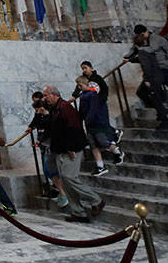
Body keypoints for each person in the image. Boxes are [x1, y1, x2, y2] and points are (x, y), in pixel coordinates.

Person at [41, 85, 105, 222]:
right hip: (60, 149)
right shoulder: (54, 109)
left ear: (53, 94)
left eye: (46, 95)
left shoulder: (65, 108)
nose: (44, 98)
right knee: (65, 181)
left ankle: (96, 200)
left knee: (69, 177)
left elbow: (74, 128)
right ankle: (78, 212)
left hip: (72, 149)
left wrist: (71, 147)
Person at [125, 24, 168, 128]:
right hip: (155, 75)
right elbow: (143, 61)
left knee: (154, 96)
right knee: (142, 92)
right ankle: (162, 111)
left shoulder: (143, 51)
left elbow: (146, 66)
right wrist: (131, 60)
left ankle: (164, 118)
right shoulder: (145, 51)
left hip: (153, 76)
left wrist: (147, 79)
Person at [75, 77, 123, 176]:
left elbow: (93, 109)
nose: (79, 88)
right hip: (89, 125)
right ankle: (100, 166)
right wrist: (80, 120)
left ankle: (117, 152)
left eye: (81, 85)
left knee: (103, 142)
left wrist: (88, 119)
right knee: (93, 145)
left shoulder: (93, 95)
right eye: (78, 86)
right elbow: (81, 109)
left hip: (96, 123)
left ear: (87, 84)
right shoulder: (82, 95)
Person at [30, 92, 68, 208]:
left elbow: (48, 132)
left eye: (37, 110)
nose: (36, 113)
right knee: (49, 171)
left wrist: (39, 142)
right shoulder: (42, 117)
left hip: (52, 147)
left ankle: (63, 193)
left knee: (51, 170)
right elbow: (39, 126)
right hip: (46, 147)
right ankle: (62, 192)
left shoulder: (50, 117)